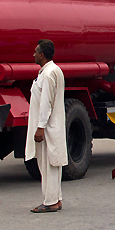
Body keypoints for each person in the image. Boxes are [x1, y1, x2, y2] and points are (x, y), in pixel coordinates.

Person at [26, 39, 67, 213]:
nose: (33, 54)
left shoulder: (49, 73)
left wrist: (40, 127)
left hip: (48, 126)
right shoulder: (51, 71)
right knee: (52, 164)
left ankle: (50, 201)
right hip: (52, 125)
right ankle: (56, 199)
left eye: (36, 51)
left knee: (48, 164)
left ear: (42, 55)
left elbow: (46, 103)